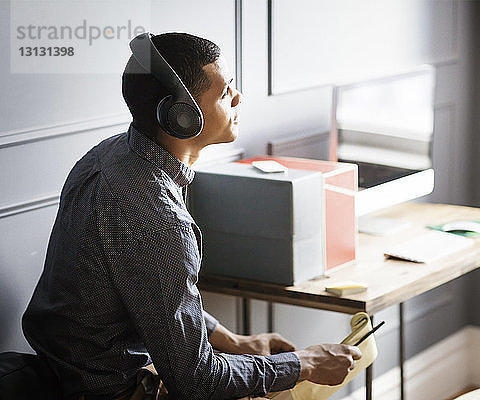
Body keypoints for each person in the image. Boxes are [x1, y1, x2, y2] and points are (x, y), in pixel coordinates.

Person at [22, 32, 361, 400]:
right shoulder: (159, 220)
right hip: (112, 389)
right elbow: (198, 380)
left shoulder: (107, 156)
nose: (238, 97)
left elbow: (155, 298)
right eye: (225, 91)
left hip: (65, 369)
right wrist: (304, 363)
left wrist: (234, 342)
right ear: (181, 117)